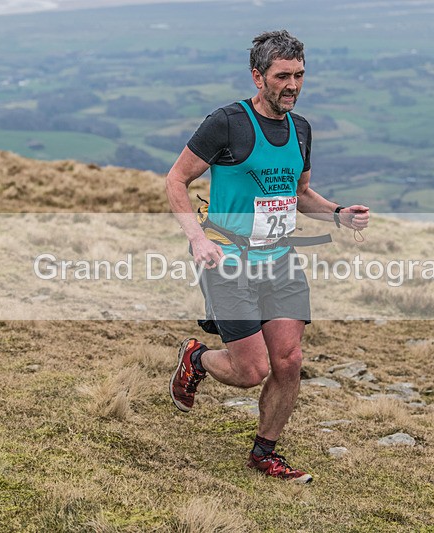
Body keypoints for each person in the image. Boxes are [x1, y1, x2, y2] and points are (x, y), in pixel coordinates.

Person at [165, 30, 369, 484]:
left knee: (289, 360)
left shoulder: (301, 129)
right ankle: (196, 359)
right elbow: (175, 180)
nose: (292, 85)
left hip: (280, 259)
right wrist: (197, 239)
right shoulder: (227, 123)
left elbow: (298, 195)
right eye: (282, 76)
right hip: (228, 259)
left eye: (299, 75)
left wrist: (337, 214)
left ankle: (264, 453)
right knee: (249, 370)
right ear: (258, 76)